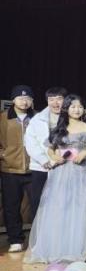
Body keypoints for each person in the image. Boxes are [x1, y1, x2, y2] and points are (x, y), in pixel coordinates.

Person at [26, 94, 86, 264]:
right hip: (61, 173)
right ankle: (58, 247)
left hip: (81, 172)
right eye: (73, 106)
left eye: (80, 107)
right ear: (66, 109)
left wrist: (85, 152)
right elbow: (50, 149)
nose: (77, 110)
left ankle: (80, 247)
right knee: (60, 207)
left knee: (82, 207)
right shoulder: (59, 128)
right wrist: (55, 157)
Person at [0, 85, 37, 253]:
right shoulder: (3, 118)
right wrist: (4, 154)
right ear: (13, 100)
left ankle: (38, 240)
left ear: (32, 100)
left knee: (38, 206)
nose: (24, 101)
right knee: (11, 206)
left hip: (34, 168)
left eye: (27, 98)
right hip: (10, 169)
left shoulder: (37, 118)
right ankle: (15, 239)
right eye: (20, 98)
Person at [23, 87, 68, 216]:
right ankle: (37, 228)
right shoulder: (37, 119)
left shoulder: (72, 117)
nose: (55, 103)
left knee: (62, 202)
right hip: (41, 167)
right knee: (38, 201)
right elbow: (30, 142)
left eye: (59, 99)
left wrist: (62, 158)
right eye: (51, 99)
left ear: (65, 100)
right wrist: (44, 160)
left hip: (65, 166)